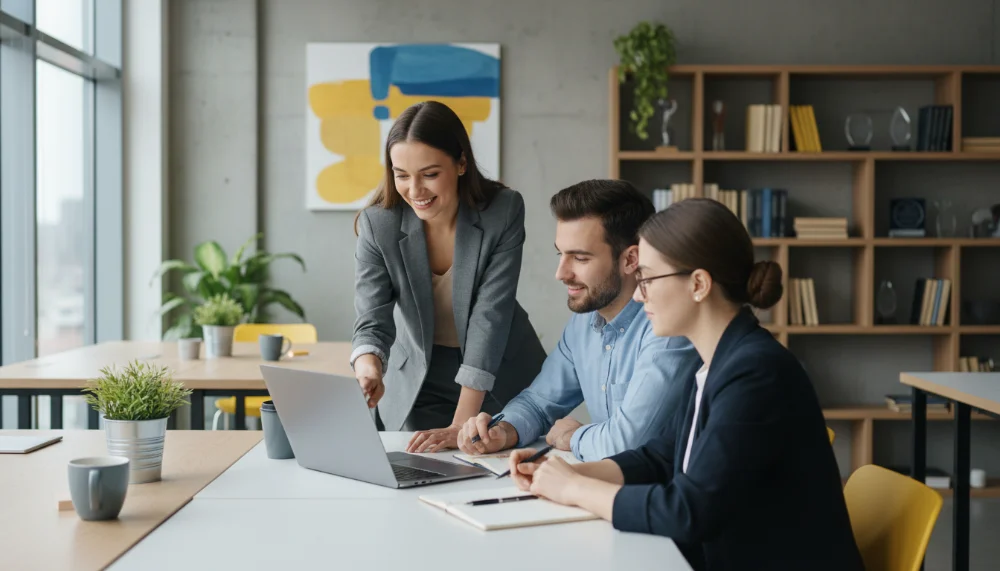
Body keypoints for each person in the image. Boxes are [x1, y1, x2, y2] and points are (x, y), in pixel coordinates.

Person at [507, 198, 864, 571]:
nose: (640, 293)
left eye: (647, 278)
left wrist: (575, 489)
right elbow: (660, 457)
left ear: (698, 284)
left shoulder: (757, 373)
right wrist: (572, 473)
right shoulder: (719, 361)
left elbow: (689, 511)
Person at [351, 101, 546, 454]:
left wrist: (461, 423)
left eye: (429, 174)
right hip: (421, 378)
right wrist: (370, 368)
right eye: (401, 174)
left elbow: (491, 315)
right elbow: (372, 318)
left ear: (460, 163)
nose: (414, 190)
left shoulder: (502, 211)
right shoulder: (377, 225)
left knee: (502, 472)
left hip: (502, 371)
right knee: (422, 474)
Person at [457, 180, 699, 462]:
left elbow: (628, 443)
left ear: (631, 259)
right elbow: (538, 402)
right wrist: (503, 430)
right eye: (561, 254)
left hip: (660, 494)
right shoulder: (584, 324)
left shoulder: (668, 328)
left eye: (580, 258)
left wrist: (571, 436)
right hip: (606, 487)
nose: (561, 273)